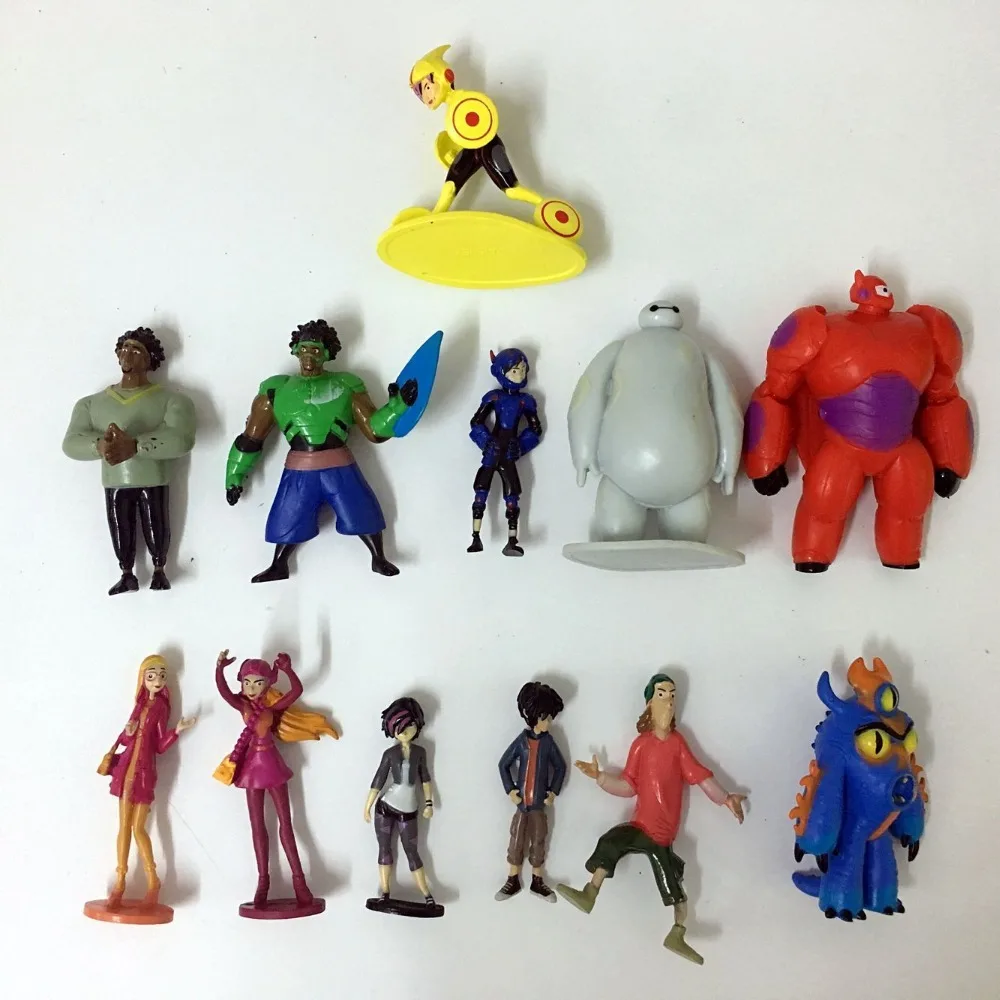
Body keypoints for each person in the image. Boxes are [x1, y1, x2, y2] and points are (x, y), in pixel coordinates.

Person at [557, 674, 746, 964]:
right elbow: (629, 785)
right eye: (661, 694)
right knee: (611, 841)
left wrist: (725, 798)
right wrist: (601, 777)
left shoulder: (678, 744)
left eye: (672, 695)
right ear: (649, 703)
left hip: (663, 835)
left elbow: (698, 775)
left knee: (674, 889)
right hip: (641, 825)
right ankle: (590, 893)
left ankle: (678, 932)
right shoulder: (641, 745)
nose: (669, 701)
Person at [225, 319, 417, 581]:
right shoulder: (276, 389)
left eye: (316, 350)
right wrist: (234, 475)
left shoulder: (346, 385)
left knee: (362, 511)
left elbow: (374, 430)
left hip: (340, 466)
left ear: (327, 353)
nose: (309, 355)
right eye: (304, 349)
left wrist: (398, 407)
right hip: (299, 468)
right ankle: (279, 564)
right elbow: (251, 438)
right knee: (287, 517)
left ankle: (378, 557)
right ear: (295, 350)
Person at [63, 327, 196, 594]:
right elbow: (71, 442)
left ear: (149, 359)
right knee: (119, 526)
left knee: (156, 522)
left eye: (136, 350)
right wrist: (100, 445)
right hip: (115, 480)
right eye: (124, 349)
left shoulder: (171, 400)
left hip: (152, 478)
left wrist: (136, 446)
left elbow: (181, 439)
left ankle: (159, 569)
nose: (127, 355)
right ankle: (126, 573)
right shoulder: (90, 404)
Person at [214, 649, 337, 913]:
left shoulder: (271, 707)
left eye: (258, 683)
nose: (251, 688)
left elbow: (296, 691)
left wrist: (288, 670)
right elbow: (224, 692)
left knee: (286, 824)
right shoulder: (244, 706)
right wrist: (219, 669)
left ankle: (299, 882)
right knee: (257, 826)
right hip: (251, 767)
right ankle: (263, 882)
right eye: (247, 682)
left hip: (270, 762)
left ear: (268, 684)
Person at [98, 655, 195, 909]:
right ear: (143, 678)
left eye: (162, 676)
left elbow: (160, 746)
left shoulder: (161, 708)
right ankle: (120, 882)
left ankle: (153, 881)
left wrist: (177, 731)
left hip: (144, 772)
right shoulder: (139, 705)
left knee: (138, 828)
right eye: (151, 676)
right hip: (126, 770)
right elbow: (125, 737)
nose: (157, 681)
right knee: (123, 827)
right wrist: (128, 733)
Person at [364, 696, 442, 916]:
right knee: (384, 849)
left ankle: (427, 894)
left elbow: (426, 779)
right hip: (385, 807)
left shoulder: (420, 752)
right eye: (399, 728)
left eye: (409, 726)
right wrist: (367, 806)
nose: (405, 732)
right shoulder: (390, 754)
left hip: (409, 809)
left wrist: (429, 802)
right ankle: (385, 892)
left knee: (412, 851)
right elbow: (378, 780)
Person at [467, 349, 543, 556]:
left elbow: (535, 429)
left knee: (512, 494)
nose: (520, 374)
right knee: (481, 490)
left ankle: (512, 539)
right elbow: (476, 422)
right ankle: (475, 536)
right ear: (501, 372)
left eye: (523, 369)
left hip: (508, 451)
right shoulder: (494, 397)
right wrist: (486, 442)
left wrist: (520, 446)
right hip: (493, 450)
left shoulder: (526, 401)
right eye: (515, 370)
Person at [496, 681, 566, 902]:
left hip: (538, 805)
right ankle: (512, 879)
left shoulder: (548, 742)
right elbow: (503, 764)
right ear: (535, 716)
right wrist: (510, 790)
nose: (549, 723)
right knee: (516, 840)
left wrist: (553, 791)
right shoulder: (522, 741)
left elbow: (560, 767)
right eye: (546, 718)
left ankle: (537, 880)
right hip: (522, 804)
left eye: (550, 718)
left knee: (538, 840)